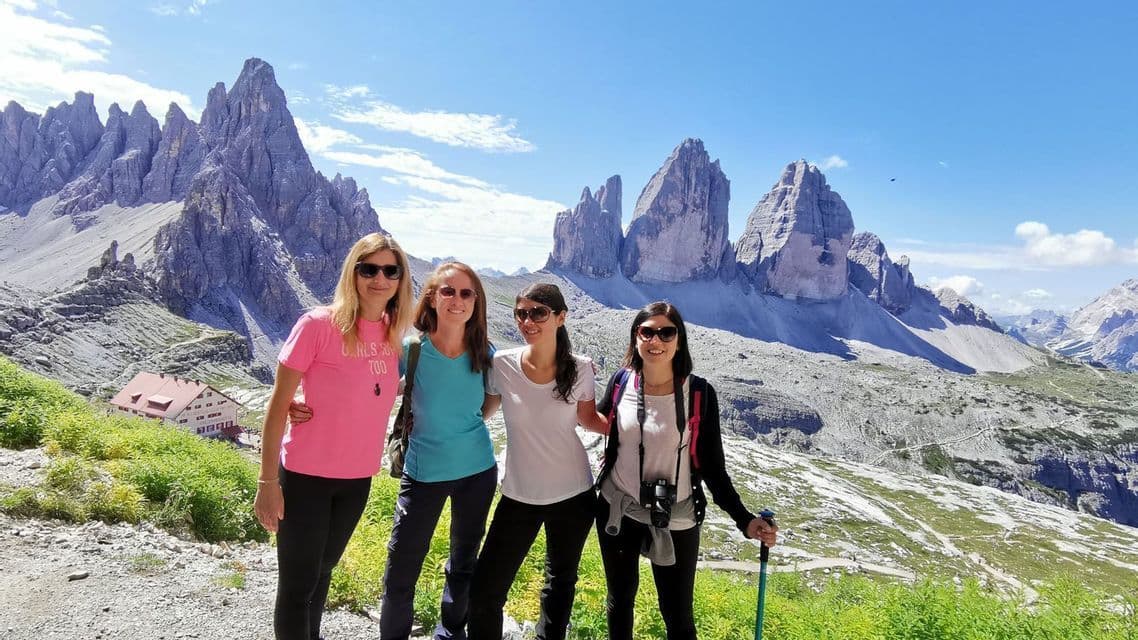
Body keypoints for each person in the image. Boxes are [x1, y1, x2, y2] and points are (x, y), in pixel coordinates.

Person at [291, 261, 498, 640]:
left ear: (476, 301)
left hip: (478, 471)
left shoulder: (485, 350)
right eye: (448, 291)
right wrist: (297, 399)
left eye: (467, 293)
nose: (457, 300)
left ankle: (451, 632)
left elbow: (488, 405)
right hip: (423, 474)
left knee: (464, 562)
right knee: (402, 567)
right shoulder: (409, 348)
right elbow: (361, 377)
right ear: (432, 297)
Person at [254, 233, 413, 640]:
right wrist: (267, 483)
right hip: (306, 474)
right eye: (369, 269)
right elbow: (276, 408)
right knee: (297, 584)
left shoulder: (395, 334)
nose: (380, 279)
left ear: (400, 278)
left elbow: (373, 387)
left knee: (323, 571)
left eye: (390, 270)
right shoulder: (318, 325)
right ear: (353, 272)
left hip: (357, 478)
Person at [594, 301, 778, 640]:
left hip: (676, 514)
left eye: (667, 332)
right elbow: (600, 421)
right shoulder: (622, 381)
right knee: (620, 601)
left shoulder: (698, 393)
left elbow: (712, 468)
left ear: (679, 340)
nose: (656, 340)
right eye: (647, 332)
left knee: (678, 614)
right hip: (618, 508)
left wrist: (744, 519)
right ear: (635, 338)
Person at [467, 283, 609, 640]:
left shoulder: (579, 369)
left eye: (538, 313)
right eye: (521, 313)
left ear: (561, 318)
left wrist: (643, 434)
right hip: (519, 495)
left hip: (574, 494)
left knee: (559, 586)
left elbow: (590, 419)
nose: (528, 321)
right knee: (485, 591)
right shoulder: (502, 363)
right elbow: (483, 412)